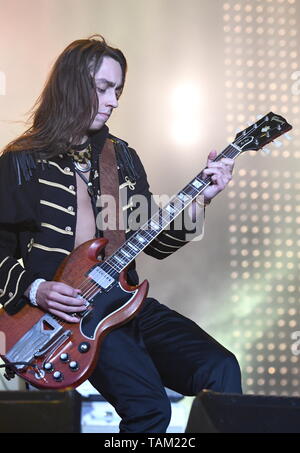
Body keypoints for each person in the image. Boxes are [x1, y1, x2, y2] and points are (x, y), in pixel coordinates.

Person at [0, 35, 242, 433]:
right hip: (66, 317)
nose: (113, 100)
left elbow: (155, 242)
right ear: (71, 85)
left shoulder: (122, 157)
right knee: (150, 410)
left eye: (118, 90)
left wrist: (203, 199)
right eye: (102, 88)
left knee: (220, 368)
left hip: (126, 302)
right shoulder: (22, 162)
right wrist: (35, 289)